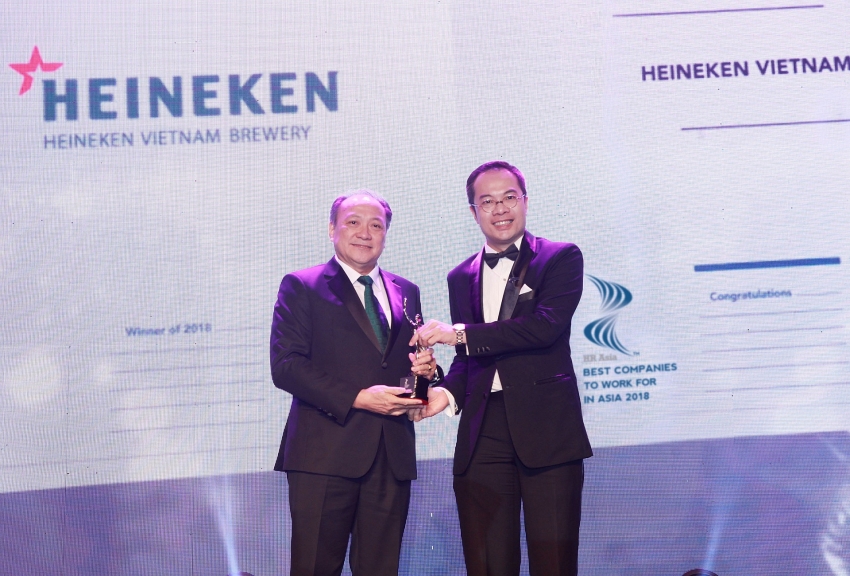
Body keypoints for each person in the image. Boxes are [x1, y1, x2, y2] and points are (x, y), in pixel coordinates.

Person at [414, 161, 593, 576]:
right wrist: (442, 395)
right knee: (488, 563)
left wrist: (459, 333)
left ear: (525, 201)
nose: (500, 209)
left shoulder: (560, 257)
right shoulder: (460, 276)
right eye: (487, 201)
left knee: (554, 563)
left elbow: (544, 327)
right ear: (473, 211)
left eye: (509, 197)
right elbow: (468, 360)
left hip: (547, 429)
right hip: (483, 431)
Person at [270, 190, 436, 576]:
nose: (365, 233)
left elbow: (405, 365)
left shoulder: (406, 290)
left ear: (386, 234)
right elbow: (286, 366)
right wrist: (359, 398)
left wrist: (428, 374)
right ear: (332, 229)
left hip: (391, 456)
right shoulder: (302, 285)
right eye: (353, 222)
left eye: (376, 225)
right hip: (324, 456)